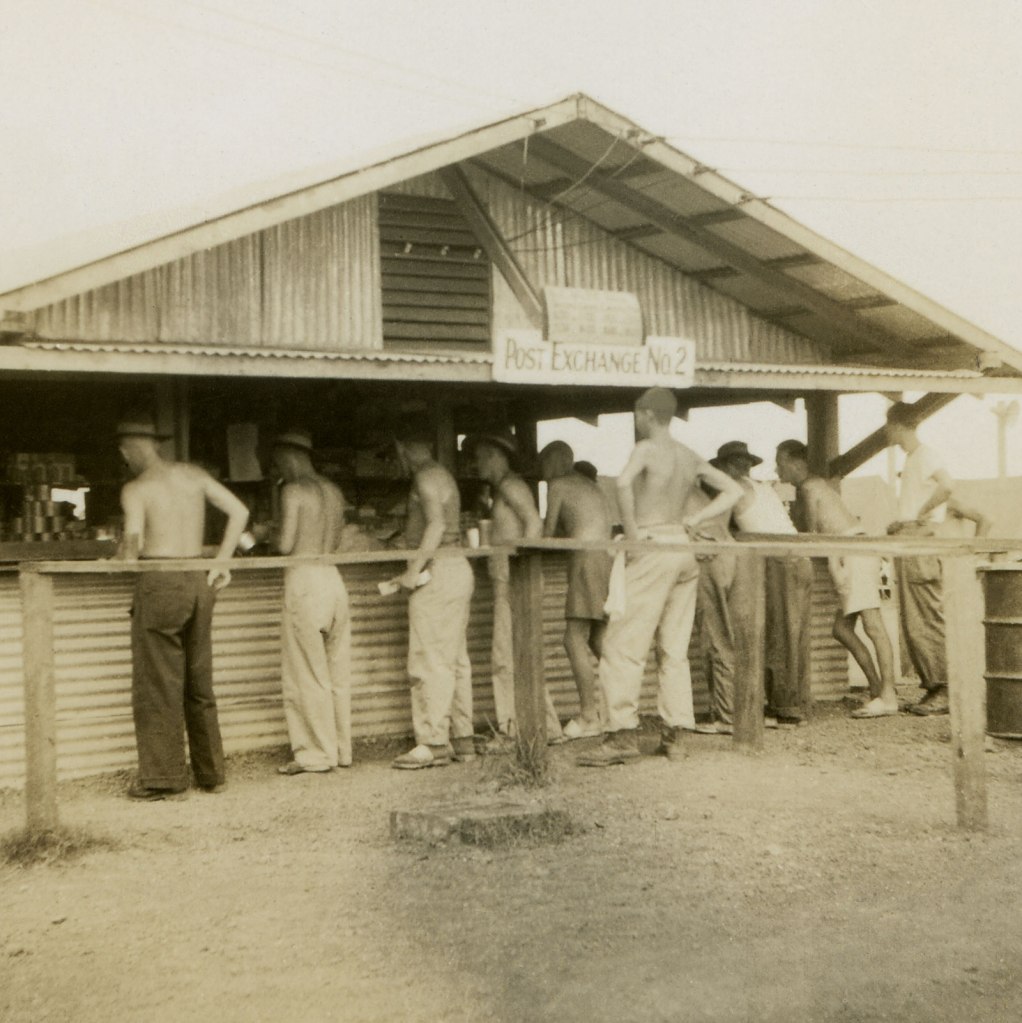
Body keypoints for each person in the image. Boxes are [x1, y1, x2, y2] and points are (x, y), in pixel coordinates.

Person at [578, 388, 743, 766]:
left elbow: (621, 484)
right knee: (674, 648)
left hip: (653, 545)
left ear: (648, 414)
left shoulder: (647, 449)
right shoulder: (688, 455)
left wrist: (633, 534)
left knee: (622, 643)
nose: (636, 418)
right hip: (681, 547)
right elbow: (732, 490)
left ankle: (620, 736)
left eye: (638, 412)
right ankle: (675, 736)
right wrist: (698, 520)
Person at [118, 413, 249, 800]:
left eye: (123, 452)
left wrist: (115, 557)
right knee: (198, 681)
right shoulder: (193, 475)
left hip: (160, 582)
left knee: (158, 684)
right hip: (198, 580)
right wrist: (222, 561)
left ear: (131, 449)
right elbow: (240, 512)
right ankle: (211, 775)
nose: (123, 459)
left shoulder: (136, 488)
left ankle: (165, 780)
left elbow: (131, 551)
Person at [775, 440, 898, 718]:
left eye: (780, 463)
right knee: (841, 630)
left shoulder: (808, 487)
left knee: (874, 626)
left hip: (853, 552)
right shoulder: (814, 485)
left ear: (795, 463)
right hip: (852, 551)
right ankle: (877, 688)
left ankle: (888, 696)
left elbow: (815, 534)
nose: (777, 469)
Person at [466, 431, 564, 744]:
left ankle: (512, 732)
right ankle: (546, 728)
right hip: (508, 581)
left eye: (480, 456)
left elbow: (533, 523)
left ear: (497, 456)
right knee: (522, 656)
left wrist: (520, 567)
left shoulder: (510, 486)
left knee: (506, 659)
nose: (476, 463)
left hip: (513, 582)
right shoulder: (504, 489)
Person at [391, 419, 475, 768]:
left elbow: (437, 524)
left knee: (430, 659)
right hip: (455, 568)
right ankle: (463, 740)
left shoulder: (424, 477)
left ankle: (434, 742)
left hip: (438, 571)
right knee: (455, 660)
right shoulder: (442, 474)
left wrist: (413, 571)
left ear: (402, 448)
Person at [271, 429, 353, 775]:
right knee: (336, 672)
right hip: (333, 579)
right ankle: (341, 750)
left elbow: (285, 544)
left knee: (307, 673)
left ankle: (316, 754)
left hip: (304, 580)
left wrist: (266, 533)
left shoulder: (293, 490)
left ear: (288, 457)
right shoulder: (333, 491)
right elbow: (334, 540)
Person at [714, 440, 813, 725]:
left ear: (729, 467)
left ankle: (785, 707)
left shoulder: (735, 490)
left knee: (779, 634)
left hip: (780, 560)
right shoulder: (763, 488)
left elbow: (719, 528)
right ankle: (796, 703)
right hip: (798, 558)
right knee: (795, 634)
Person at [884, 402, 955, 716]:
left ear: (898, 425)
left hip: (922, 537)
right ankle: (933, 685)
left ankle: (946, 688)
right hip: (909, 536)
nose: (887, 432)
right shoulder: (913, 459)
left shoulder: (926, 454)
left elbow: (948, 486)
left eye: (889, 426)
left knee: (926, 614)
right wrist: (903, 521)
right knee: (913, 621)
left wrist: (922, 514)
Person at [539, 440, 612, 740]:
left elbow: (547, 534)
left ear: (556, 462)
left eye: (543, 463)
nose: (541, 471)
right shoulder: (587, 484)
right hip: (604, 559)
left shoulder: (558, 484)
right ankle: (616, 710)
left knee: (572, 640)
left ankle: (588, 717)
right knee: (599, 639)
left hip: (585, 560)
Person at [687, 483, 738, 734]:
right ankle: (727, 711)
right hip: (728, 559)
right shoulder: (707, 497)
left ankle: (726, 716)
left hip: (711, 562)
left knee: (715, 638)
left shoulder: (681, 493)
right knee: (724, 635)